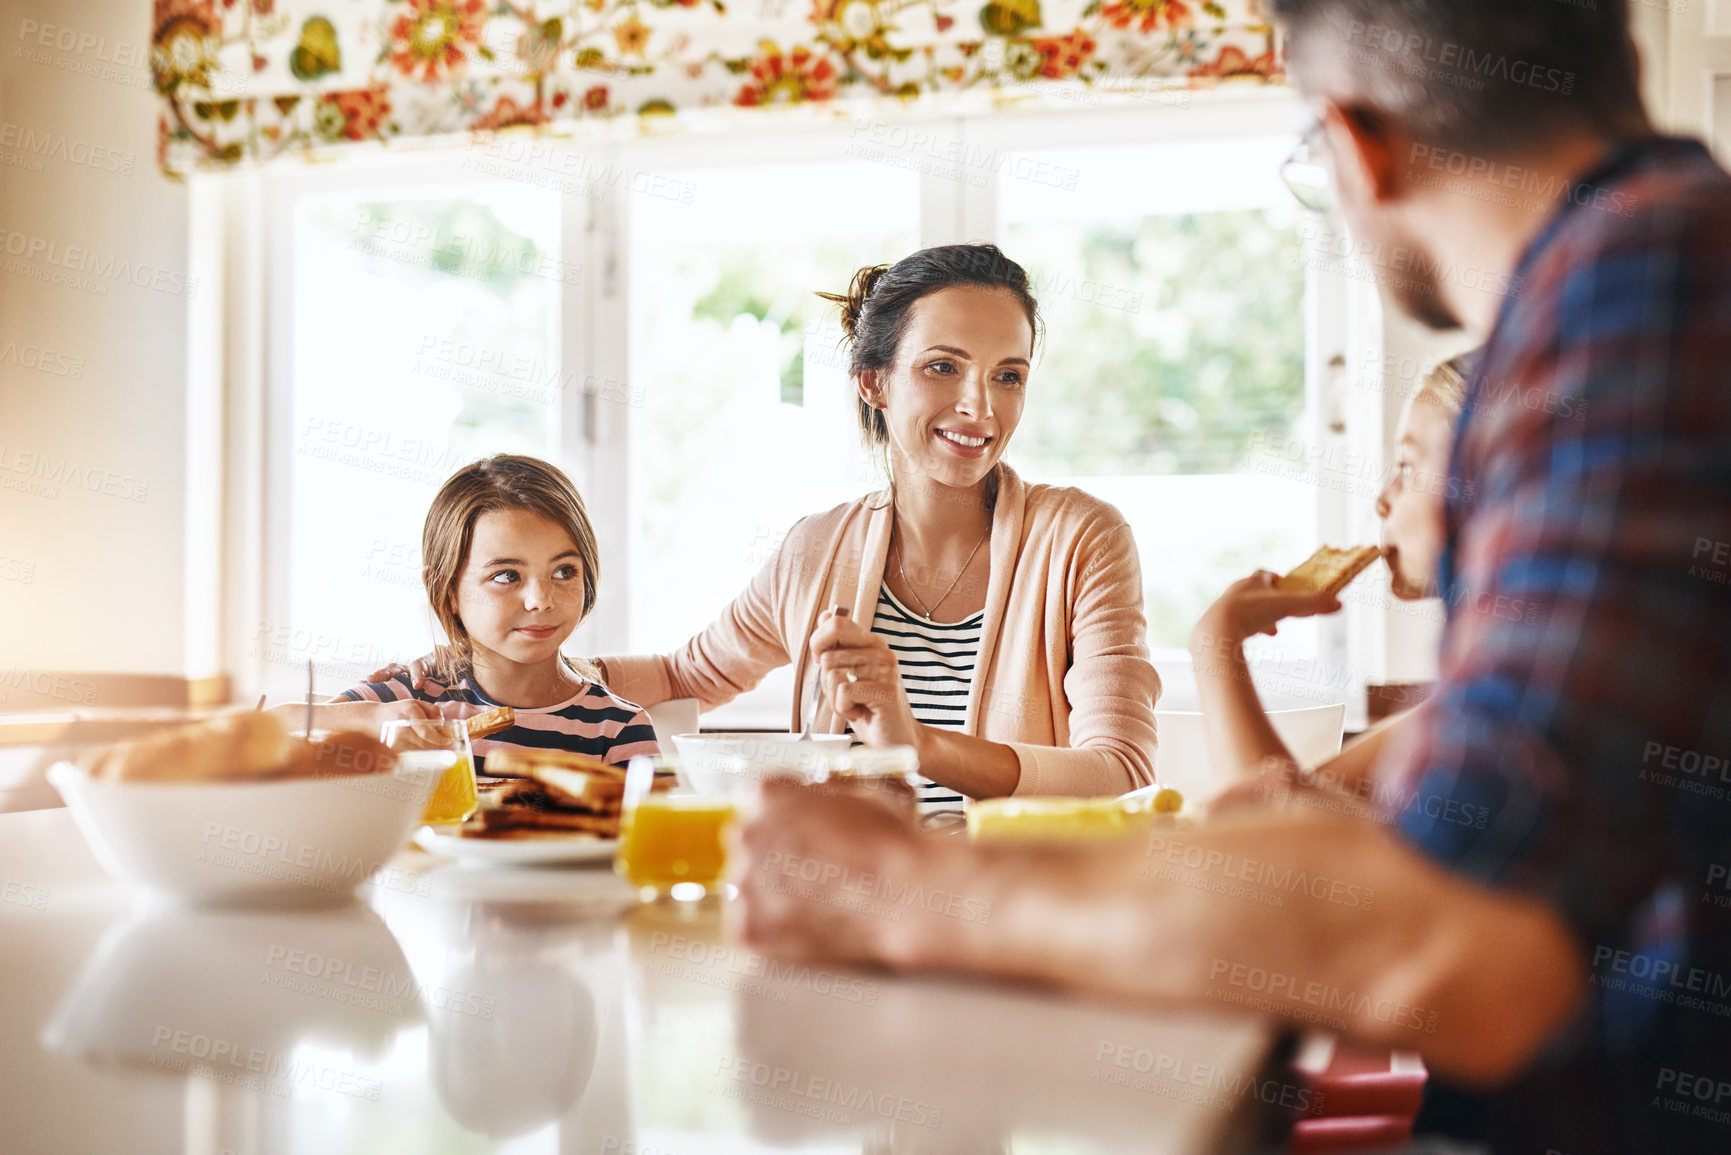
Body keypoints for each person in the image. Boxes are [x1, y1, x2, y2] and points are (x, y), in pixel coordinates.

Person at [732, 3, 1731, 1152]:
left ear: (1357, 144)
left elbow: (1463, 951)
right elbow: (1526, 853)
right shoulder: (1645, 277)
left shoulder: (1637, 301)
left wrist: (897, 893)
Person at [594, 244, 1161, 813]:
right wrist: (522, 671)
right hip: (849, 891)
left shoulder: (1082, 538)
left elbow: (1122, 771)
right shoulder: (815, 551)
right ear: (874, 382)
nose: (979, 406)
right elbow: (681, 676)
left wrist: (916, 743)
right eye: (943, 367)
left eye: (1007, 376)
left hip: (1013, 892)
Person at [1192, 356, 1472, 800]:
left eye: (1405, 466)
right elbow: (1307, 807)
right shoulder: (1460, 692)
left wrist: (1216, 642)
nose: (1382, 501)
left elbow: (1270, 837)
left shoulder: (1518, 696)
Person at [286, 455, 658, 772]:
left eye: (563, 572)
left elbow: (646, 851)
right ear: (447, 591)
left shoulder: (618, 728)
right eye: (507, 576)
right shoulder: (409, 702)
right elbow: (265, 728)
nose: (540, 600)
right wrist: (371, 719)